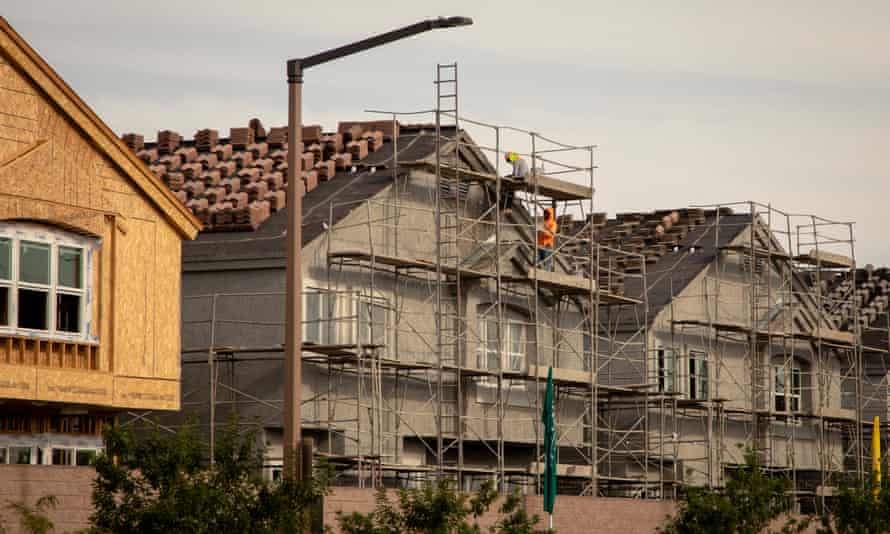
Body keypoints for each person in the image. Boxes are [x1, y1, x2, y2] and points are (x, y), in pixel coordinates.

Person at [500, 151, 528, 215]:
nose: (509, 162)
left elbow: (515, 174)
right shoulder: (521, 160)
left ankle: (506, 207)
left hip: (520, 178)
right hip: (523, 177)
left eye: (508, 160)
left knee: (506, 185)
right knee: (510, 188)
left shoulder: (516, 161)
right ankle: (508, 208)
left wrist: (508, 177)